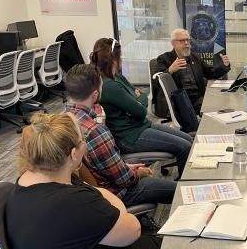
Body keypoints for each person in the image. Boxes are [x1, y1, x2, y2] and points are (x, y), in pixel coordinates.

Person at [6, 113, 161, 249]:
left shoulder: (31, 180)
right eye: (82, 142)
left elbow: (94, 194)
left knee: (161, 246)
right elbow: (132, 230)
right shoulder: (70, 202)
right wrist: (113, 204)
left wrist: (103, 200)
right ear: (73, 153)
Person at [64, 63, 176, 206]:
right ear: (95, 95)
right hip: (114, 193)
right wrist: (138, 173)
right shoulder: (96, 132)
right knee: (176, 190)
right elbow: (124, 180)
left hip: (88, 190)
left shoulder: (63, 119)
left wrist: (126, 167)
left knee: (133, 161)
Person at [90, 37, 193, 175]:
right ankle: (184, 187)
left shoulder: (116, 77)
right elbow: (140, 111)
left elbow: (142, 96)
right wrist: (137, 97)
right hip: (129, 136)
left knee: (188, 139)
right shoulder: (110, 86)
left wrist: (137, 97)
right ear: (115, 58)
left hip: (140, 125)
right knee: (185, 147)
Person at [155, 28, 231, 114]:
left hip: (197, 98)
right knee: (211, 111)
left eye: (187, 40)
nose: (186, 43)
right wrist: (170, 70)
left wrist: (224, 65)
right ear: (173, 43)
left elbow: (210, 73)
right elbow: (158, 82)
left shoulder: (195, 57)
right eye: (182, 40)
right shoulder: (164, 59)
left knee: (221, 106)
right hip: (177, 101)